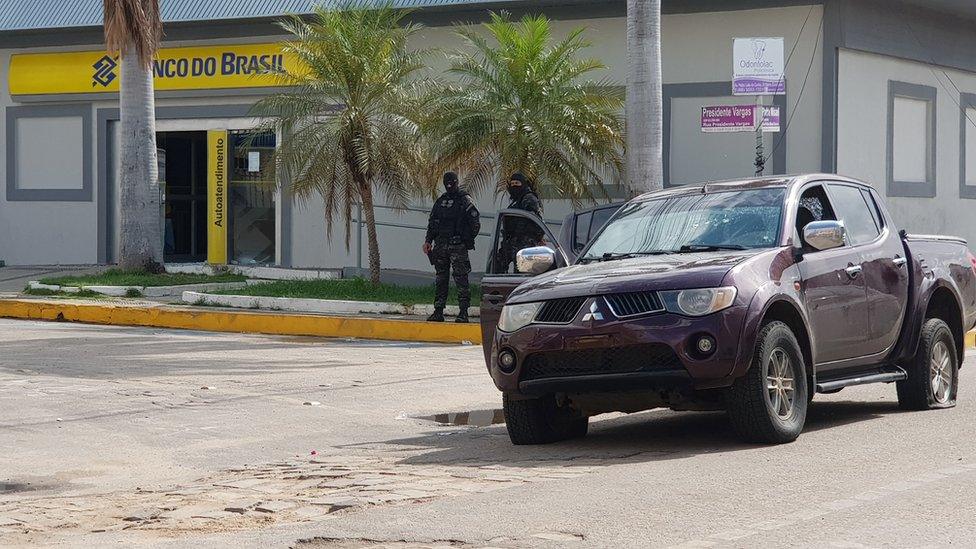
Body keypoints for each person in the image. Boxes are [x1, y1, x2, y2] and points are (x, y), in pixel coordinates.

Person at [423, 172, 481, 323]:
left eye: (452, 182)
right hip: (440, 245)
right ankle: (438, 311)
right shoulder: (441, 201)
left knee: (461, 278)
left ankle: (463, 312)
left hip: (457, 247)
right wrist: (428, 241)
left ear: (457, 182)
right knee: (441, 279)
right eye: (447, 183)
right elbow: (432, 222)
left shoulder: (464, 200)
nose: (449, 185)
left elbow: (475, 223)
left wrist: (465, 239)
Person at [494, 172, 545, 273]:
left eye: (517, 183)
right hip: (512, 241)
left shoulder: (529, 198)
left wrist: (537, 238)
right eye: (512, 184)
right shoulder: (516, 200)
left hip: (524, 243)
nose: (514, 186)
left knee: (521, 273)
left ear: (524, 184)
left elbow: (537, 220)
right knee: (497, 265)